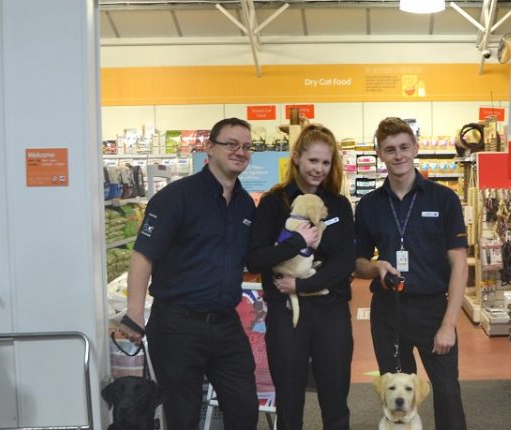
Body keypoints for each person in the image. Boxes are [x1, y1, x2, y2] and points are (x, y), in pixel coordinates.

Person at [121, 117, 259, 430]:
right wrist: (133, 313)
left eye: (247, 147)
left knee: (244, 409)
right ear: (210, 148)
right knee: (183, 416)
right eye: (231, 144)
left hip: (225, 324)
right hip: (176, 326)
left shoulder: (245, 206)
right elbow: (143, 255)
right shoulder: (176, 197)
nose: (240, 151)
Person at [354, 117, 468, 430]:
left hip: (433, 310)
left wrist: (449, 324)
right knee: (397, 398)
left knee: (446, 391)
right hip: (388, 313)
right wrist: (376, 267)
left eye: (404, 147)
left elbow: (459, 264)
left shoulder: (443, 199)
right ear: (379, 153)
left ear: (416, 148)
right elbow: (358, 263)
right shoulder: (369, 205)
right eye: (390, 149)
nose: (398, 155)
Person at [246, 124, 355, 430]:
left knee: (335, 401)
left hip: (331, 311)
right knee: (290, 402)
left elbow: (345, 261)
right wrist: (295, 244)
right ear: (296, 158)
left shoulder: (338, 205)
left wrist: (304, 283)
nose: (319, 169)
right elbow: (255, 258)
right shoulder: (273, 203)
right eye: (312, 161)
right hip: (286, 315)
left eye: (325, 162)